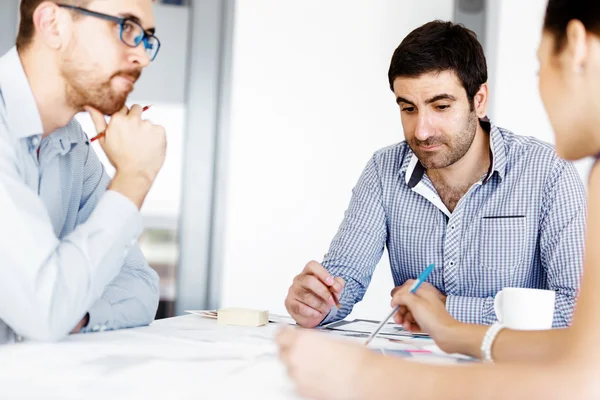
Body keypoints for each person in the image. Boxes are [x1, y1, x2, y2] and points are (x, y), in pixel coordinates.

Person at [277, 1, 600, 398]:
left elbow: (576, 325)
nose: (422, 129)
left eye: (441, 106)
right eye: (408, 108)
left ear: (478, 101)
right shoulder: (383, 170)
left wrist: (447, 312)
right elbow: (344, 278)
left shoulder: (548, 172)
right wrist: (319, 302)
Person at [0, 0, 166, 343]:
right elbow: (44, 311)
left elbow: (141, 287)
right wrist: (133, 178)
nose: (143, 57)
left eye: (146, 38)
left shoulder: (72, 144)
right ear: (53, 25)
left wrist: (76, 313)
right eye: (126, 28)